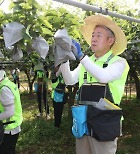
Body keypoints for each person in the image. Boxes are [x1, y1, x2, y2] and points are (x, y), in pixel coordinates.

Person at [55, 15, 129, 154]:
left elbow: (104, 76)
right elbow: (70, 80)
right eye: (93, 35)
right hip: (83, 119)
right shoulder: (88, 63)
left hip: (105, 121)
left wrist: (82, 57)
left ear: (110, 41)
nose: (93, 39)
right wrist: (64, 57)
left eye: (98, 36)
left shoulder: (119, 63)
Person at [0, 69, 23, 154]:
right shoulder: (6, 84)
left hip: (9, 128)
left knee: (5, 151)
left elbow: (10, 112)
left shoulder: (4, 90)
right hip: (9, 126)